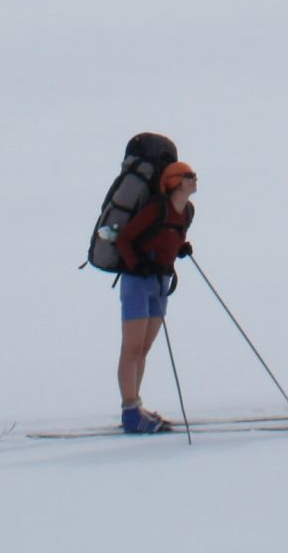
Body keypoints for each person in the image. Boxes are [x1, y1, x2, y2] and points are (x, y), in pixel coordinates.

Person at [114, 161, 197, 434]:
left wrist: (179, 247)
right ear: (174, 181)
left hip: (160, 281)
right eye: (188, 176)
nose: (194, 180)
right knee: (132, 348)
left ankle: (135, 407)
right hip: (138, 282)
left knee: (144, 348)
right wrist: (137, 265)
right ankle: (130, 412)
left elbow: (165, 238)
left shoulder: (187, 211)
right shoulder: (155, 209)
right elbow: (124, 239)